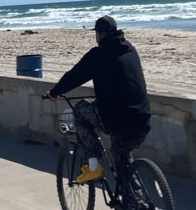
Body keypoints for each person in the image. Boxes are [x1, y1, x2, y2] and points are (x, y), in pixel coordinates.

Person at [45, 16, 151, 185]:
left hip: (116, 119)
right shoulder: (130, 49)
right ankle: (136, 199)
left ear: (100, 35)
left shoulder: (99, 54)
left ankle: (93, 167)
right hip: (142, 117)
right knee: (122, 160)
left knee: (80, 110)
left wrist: (54, 92)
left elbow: (74, 76)